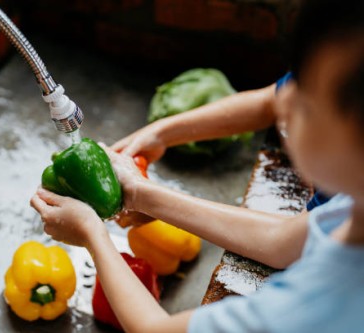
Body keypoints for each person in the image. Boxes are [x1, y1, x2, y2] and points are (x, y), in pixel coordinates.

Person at [31, 0, 364, 331]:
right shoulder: (353, 207)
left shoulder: (313, 307)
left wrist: (93, 234)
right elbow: (284, 243)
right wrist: (148, 164)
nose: (285, 99)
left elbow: (155, 330)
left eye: (307, 100)